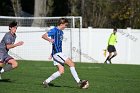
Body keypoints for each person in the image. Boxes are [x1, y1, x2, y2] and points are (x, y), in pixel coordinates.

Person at [42, 18, 87, 88]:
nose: (66, 27)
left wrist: (51, 53)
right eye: (65, 25)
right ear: (61, 24)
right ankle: (79, 81)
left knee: (61, 71)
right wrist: (49, 39)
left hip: (56, 53)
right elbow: (44, 36)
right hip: (58, 53)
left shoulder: (61, 32)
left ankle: (46, 81)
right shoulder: (54, 30)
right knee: (71, 64)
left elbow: (56, 43)